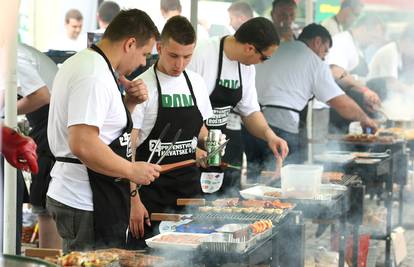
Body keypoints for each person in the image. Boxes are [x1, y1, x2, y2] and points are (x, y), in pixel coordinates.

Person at [46, 9, 161, 252]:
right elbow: (83, 143)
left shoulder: (95, 66)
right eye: (144, 54)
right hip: (84, 199)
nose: (143, 63)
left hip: (95, 196)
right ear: (130, 43)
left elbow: (107, 132)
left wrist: (129, 104)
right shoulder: (93, 73)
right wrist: (132, 170)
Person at [127, 16, 212, 248]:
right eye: (174, 56)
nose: (180, 64)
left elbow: (199, 127)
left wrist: (210, 145)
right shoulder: (143, 86)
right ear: (159, 47)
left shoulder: (196, 83)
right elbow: (129, 147)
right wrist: (133, 200)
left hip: (190, 192)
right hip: (151, 196)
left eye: (187, 57)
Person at [249, 23, 377, 168]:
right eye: (325, 51)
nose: (324, 57)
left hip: (250, 123)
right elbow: (341, 103)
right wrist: (364, 119)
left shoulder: (278, 49)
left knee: (257, 175)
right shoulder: (314, 62)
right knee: (281, 180)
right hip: (280, 126)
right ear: (317, 42)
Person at [188, 17, 289, 194]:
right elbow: (184, 113)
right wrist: (202, 145)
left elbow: (250, 112)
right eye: (264, 58)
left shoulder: (247, 68)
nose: (262, 62)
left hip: (222, 148)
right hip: (192, 150)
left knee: (224, 204)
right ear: (249, 48)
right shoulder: (202, 54)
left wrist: (269, 135)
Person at [16, 43, 61, 249]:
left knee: (45, 203)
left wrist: (7, 111)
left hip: (51, 127)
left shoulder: (13, 54)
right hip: (48, 126)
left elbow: (41, 96)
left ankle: (50, 259)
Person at [327, 15, 383, 111]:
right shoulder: (342, 41)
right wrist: (365, 90)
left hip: (342, 103)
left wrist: (363, 97)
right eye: (373, 37)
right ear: (363, 29)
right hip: (328, 105)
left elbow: (350, 79)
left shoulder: (355, 45)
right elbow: (337, 72)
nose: (372, 42)